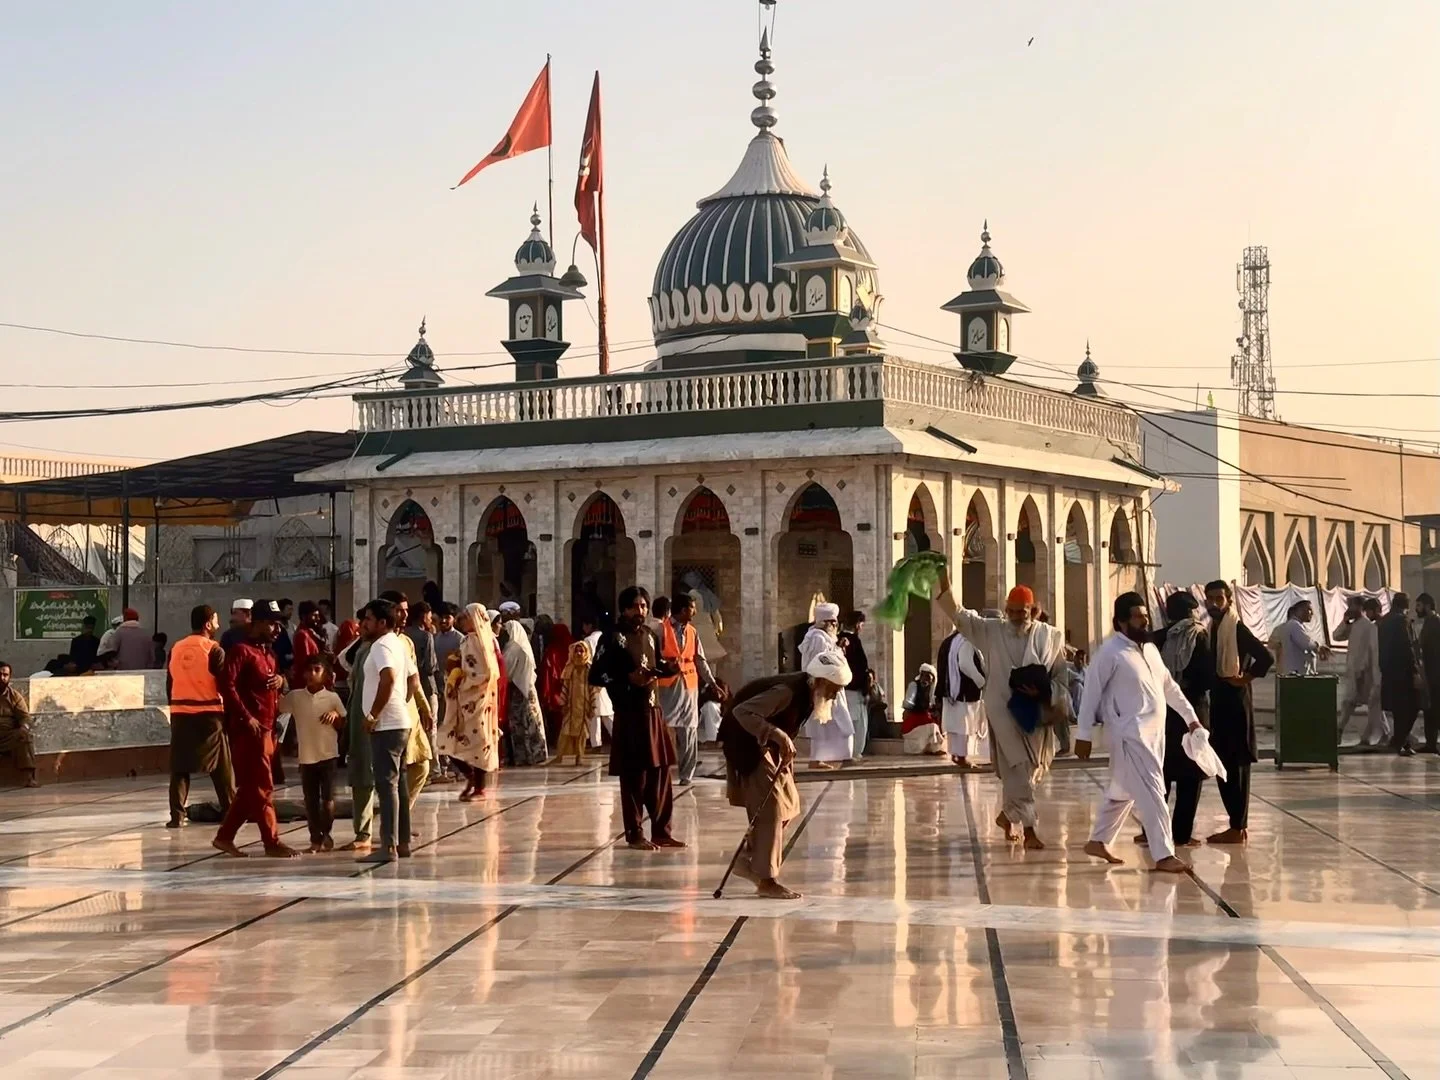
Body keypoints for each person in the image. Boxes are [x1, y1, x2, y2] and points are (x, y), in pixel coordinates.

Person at [935, 576, 1068, 849]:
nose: (1019, 617)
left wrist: (1045, 693)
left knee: (1029, 771)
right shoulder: (991, 631)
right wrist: (944, 581)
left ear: (1034, 610)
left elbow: (1060, 676)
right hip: (1003, 710)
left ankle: (1008, 816)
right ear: (1006, 610)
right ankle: (1029, 830)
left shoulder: (1050, 637)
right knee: (1018, 768)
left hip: (1036, 711)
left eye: (1024, 611)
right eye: (1014, 611)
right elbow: (959, 616)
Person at [1077, 592, 1203, 873]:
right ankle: (1163, 854)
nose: (1144, 620)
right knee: (1154, 790)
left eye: (1145, 615)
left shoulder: (1150, 650)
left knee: (1123, 791)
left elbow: (1170, 687)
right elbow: (1090, 694)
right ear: (1121, 621)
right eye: (1137, 615)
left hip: (1154, 735)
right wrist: (1083, 734)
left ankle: (1098, 840)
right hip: (1129, 735)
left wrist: (1191, 719)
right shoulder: (1109, 653)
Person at [721, 646, 852, 900]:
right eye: (835, 688)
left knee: (788, 805)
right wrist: (777, 735)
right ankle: (767, 880)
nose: (836, 695)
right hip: (747, 744)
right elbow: (742, 712)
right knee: (772, 808)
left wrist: (783, 747)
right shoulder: (787, 691)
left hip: (766, 747)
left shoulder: (808, 694)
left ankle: (749, 859)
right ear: (822, 681)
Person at [590, 586, 685, 851]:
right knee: (634, 777)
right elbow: (596, 675)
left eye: (643, 606)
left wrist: (669, 669)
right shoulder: (611, 637)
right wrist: (627, 679)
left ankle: (662, 831)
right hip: (630, 713)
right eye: (634, 606)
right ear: (624, 609)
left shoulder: (649, 636)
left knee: (661, 774)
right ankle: (634, 834)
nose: (639, 611)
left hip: (653, 712)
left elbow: (654, 666)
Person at [212, 600, 298, 859]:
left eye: (279, 624)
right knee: (262, 788)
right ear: (257, 622)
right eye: (272, 624)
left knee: (251, 788)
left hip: (269, 728)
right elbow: (227, 686)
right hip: (249, 731)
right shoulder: (241, 651)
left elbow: (279, 683)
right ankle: (271, 842)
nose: (277, 629)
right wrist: (245, 717)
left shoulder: (268, 654)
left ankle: (225, 837)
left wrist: (282, 680)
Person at [1202, 580, 1273, 843]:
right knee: (1224, 764)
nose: (1214, 603)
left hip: (1236, 704)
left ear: (1229, 601)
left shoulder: (1236, 628)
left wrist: (1246, 678)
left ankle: (1238, 826)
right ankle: (1236, 824)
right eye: (1209, 599)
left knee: (1237, 765)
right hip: (1220, 702)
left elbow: (1266, 658)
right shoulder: (1215, 628)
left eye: (1219, 598)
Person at [358, 598, 417, 862]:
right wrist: (400, 704)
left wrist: (375, 714)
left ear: (382, 622)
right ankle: (402, 843)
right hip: (400, 721)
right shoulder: (397, 643)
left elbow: (390, 678)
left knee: (386, 785)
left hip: (386, 725)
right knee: (399, 784)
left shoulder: (382, 645)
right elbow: (413, 680)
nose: (364, 624)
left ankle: (388, 847)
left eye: (368, 619)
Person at [1153, 591, 1212, 849]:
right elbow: (1208, 677)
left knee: (1161, 774)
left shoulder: (1156, 639)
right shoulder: (1199, 636)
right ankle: (1182, 834)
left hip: (1162, 713)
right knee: (1191, 775)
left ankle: (1153, 831)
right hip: (1192, 713)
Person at [166, 605, 234, 828]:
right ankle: (231, 811)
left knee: (180, 767)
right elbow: (225, 684)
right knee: (221, 767)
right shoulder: (214, 649)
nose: (218, 625)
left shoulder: (176, 648)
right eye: (215, 620)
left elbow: (170, 682)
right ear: (207, 624)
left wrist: (174, 707)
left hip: (180, 714)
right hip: (209, 714)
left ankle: (176, 816)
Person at [440, 603, 502, 800]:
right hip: (463, 699)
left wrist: (461, 678)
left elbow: (486, 672)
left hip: (478, 699)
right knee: (449, 739)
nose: (462, 621)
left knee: (478, 741)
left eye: (465, 617)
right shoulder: (467, 640)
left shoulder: (483, 641)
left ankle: (479, 788)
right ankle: (471, 778)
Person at [283, 655, 345, 852]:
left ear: (326, 674)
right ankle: (314, 839)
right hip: (306, 757)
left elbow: (343, 722)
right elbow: (278, 706)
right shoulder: (295, 697)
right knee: (310, 801)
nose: (312, 674)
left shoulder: (332, 698)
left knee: (327, 801)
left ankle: (326, 832)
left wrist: (335, 716)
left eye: (317, 670)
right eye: (308, 670)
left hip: (328, 755)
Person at [658, 592, 716, 786]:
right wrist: (665, 666)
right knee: (664, 728)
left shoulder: (692, 631)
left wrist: (712, 682)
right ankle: (662, 770)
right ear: (683, 610)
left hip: (689, 685)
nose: (695, 611)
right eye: (692, 607)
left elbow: (700, 659)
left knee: (689, 730)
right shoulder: (661, 630)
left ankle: (686, 774)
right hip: (668, 686)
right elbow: (652, 656)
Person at [338, 609, 377, 852]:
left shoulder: (387, 647)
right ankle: (364, 832)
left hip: (379, 721)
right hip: (359, 718)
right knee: (362, 775)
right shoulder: (362, 648)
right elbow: (343, 658)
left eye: (368, 620)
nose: (363, 624)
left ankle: (394, 830)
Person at [799, 602, 855, 768]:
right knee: (829, 723)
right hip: (825, 687)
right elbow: (822, 661)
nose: (835, 626)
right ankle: (820, 759)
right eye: (833, 622)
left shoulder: (824, 637)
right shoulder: (817, 638)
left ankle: (844, 756)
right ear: (826, 622)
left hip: (832, 686)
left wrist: (839, 647)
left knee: (835, 723)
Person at [1335, 597, 1386, 747]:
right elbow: (1337, 636)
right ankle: (1382, 734)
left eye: (1352, 606)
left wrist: (1364, 670)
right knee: (1358, 703)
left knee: (1371, 704)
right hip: (1353, 672)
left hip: (1365, 674)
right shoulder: (1353, 625)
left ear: (1360, 607)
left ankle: (1345, 731)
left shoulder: (1369, 627)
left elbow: (1372, 651)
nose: (1350, 608)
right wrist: (1345, 621)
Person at [1380, 592, 1424, 757]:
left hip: (1389, 671)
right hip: (1403, 672)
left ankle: (1402, 742)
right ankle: (1398, 741)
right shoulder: (1402, 621)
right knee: (1413, 706)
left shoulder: (1384, 621)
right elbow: (1408, 647)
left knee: (1399, 710)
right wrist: (1414, 671)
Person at [937, 627, 987, 769]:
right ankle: (962, 757)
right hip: (963, 691)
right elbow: (965, 665)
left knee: (956, 725)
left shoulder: (948, 641)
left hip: (950, 691)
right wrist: (981, 682)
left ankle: (956, 754)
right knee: (963, 725)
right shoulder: (967, 641)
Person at [501, 619, 549, 765]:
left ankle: (524, 757)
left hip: (518, 691)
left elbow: (507, 672)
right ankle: (535, 755)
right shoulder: (522, 646)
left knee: (522, 725)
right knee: (530, 723)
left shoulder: (514, 648)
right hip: (527, 689)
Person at [554, 639, 595, 766]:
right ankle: (559, 756)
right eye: (576, 651)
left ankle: (579, 756)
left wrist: (593, 707)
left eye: (581, 651)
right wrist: (563, 703)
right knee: (565, 732)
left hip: (584, 706)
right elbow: (565, 687)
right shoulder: (570, 668)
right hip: (571, 707)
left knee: (581, 734)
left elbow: (592, 689)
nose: (578, 654)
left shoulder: (589, 669)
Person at [837, 611, 872, 759]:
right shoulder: (853, 641)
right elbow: (859, 666)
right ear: (858, 624)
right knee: (857, 723)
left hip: (841, 687)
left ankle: (847, 752)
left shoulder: (837, 639)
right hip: (853, 688)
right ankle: (852, 752)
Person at [538, 618, 575, 748]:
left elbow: (548, 672)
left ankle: (559, 741)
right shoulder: (573, 649)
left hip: (556, 689)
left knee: (557, 717)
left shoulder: (552, 651)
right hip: (571, 688)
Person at [0, 662, 37, 788]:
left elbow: (25, 717)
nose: (2, 678)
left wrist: (24, 727)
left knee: (24, 736)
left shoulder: (14, 696)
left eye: (5, 675)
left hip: (7, 735)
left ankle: (28, 778)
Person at [900, 664, 945, 755]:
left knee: (934, 724)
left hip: (925, 720)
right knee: (932, 727)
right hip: (914, 721)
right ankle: (934, 749)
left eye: (927, 677)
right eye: (923, 675)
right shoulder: (914, 686)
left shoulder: (932, 690)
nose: (924, 679)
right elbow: (908, 702)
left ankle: (931, 748)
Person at [1274, 599, 1327, 675]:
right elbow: (1307, 644)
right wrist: (1318, 646)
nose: (1312, 613)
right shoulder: (1294, 625)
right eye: (1309, 610)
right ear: (1299, 610)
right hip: (1296, 673)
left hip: (1295, 672)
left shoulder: (1294, 625)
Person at [1415, 593, 1440, 753]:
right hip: (1431, 672)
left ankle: (1432, 743)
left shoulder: (1434, 623)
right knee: (1430, 709)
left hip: (1435, 673)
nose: (1416, 609)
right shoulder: (1430, 622)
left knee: (1435, 708)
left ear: (1427, 605)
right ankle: (1430, 743)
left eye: (1418, 606)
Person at [698, 680, 726, 746]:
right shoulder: (710, 706)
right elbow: (712, 729)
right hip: (709, 744)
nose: (726, 692)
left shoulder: (718, 705)